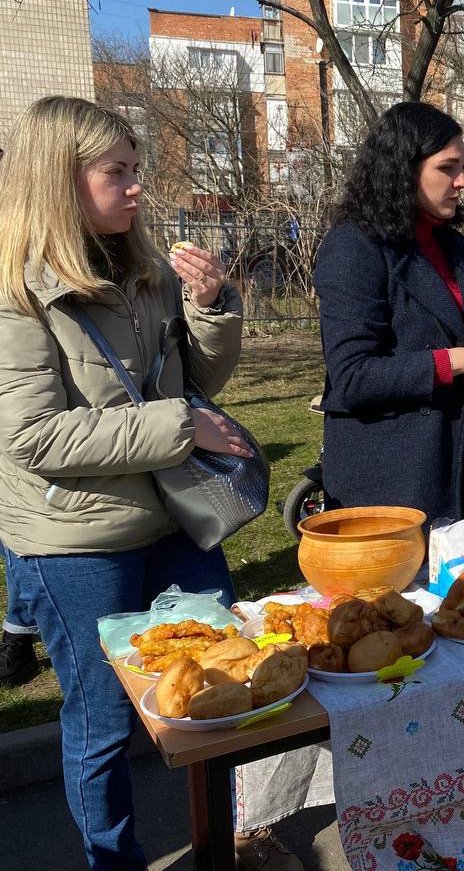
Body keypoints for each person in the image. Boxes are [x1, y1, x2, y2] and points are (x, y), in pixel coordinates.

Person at [0, 96, 250, 870]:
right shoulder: (17, 291)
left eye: (137, 170)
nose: (138, 187)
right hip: (77, 540)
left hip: (174, 521)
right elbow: (30, 436)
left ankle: (222, 843)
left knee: (221, 683)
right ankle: (114, 861)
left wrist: (212, 309)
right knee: (104, 719)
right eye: (119, 173)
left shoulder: (141, 269)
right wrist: (183, 426)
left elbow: (195, 378)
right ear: (59, 178)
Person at [314, 102, 464, 522]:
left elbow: (453, 344)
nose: (463, 181)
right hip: (392, 480)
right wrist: (462, 361)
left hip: (462, 467)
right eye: (448, 168)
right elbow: (352, 376)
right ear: (403, 169)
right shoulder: (353, 248)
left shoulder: (450, 246)